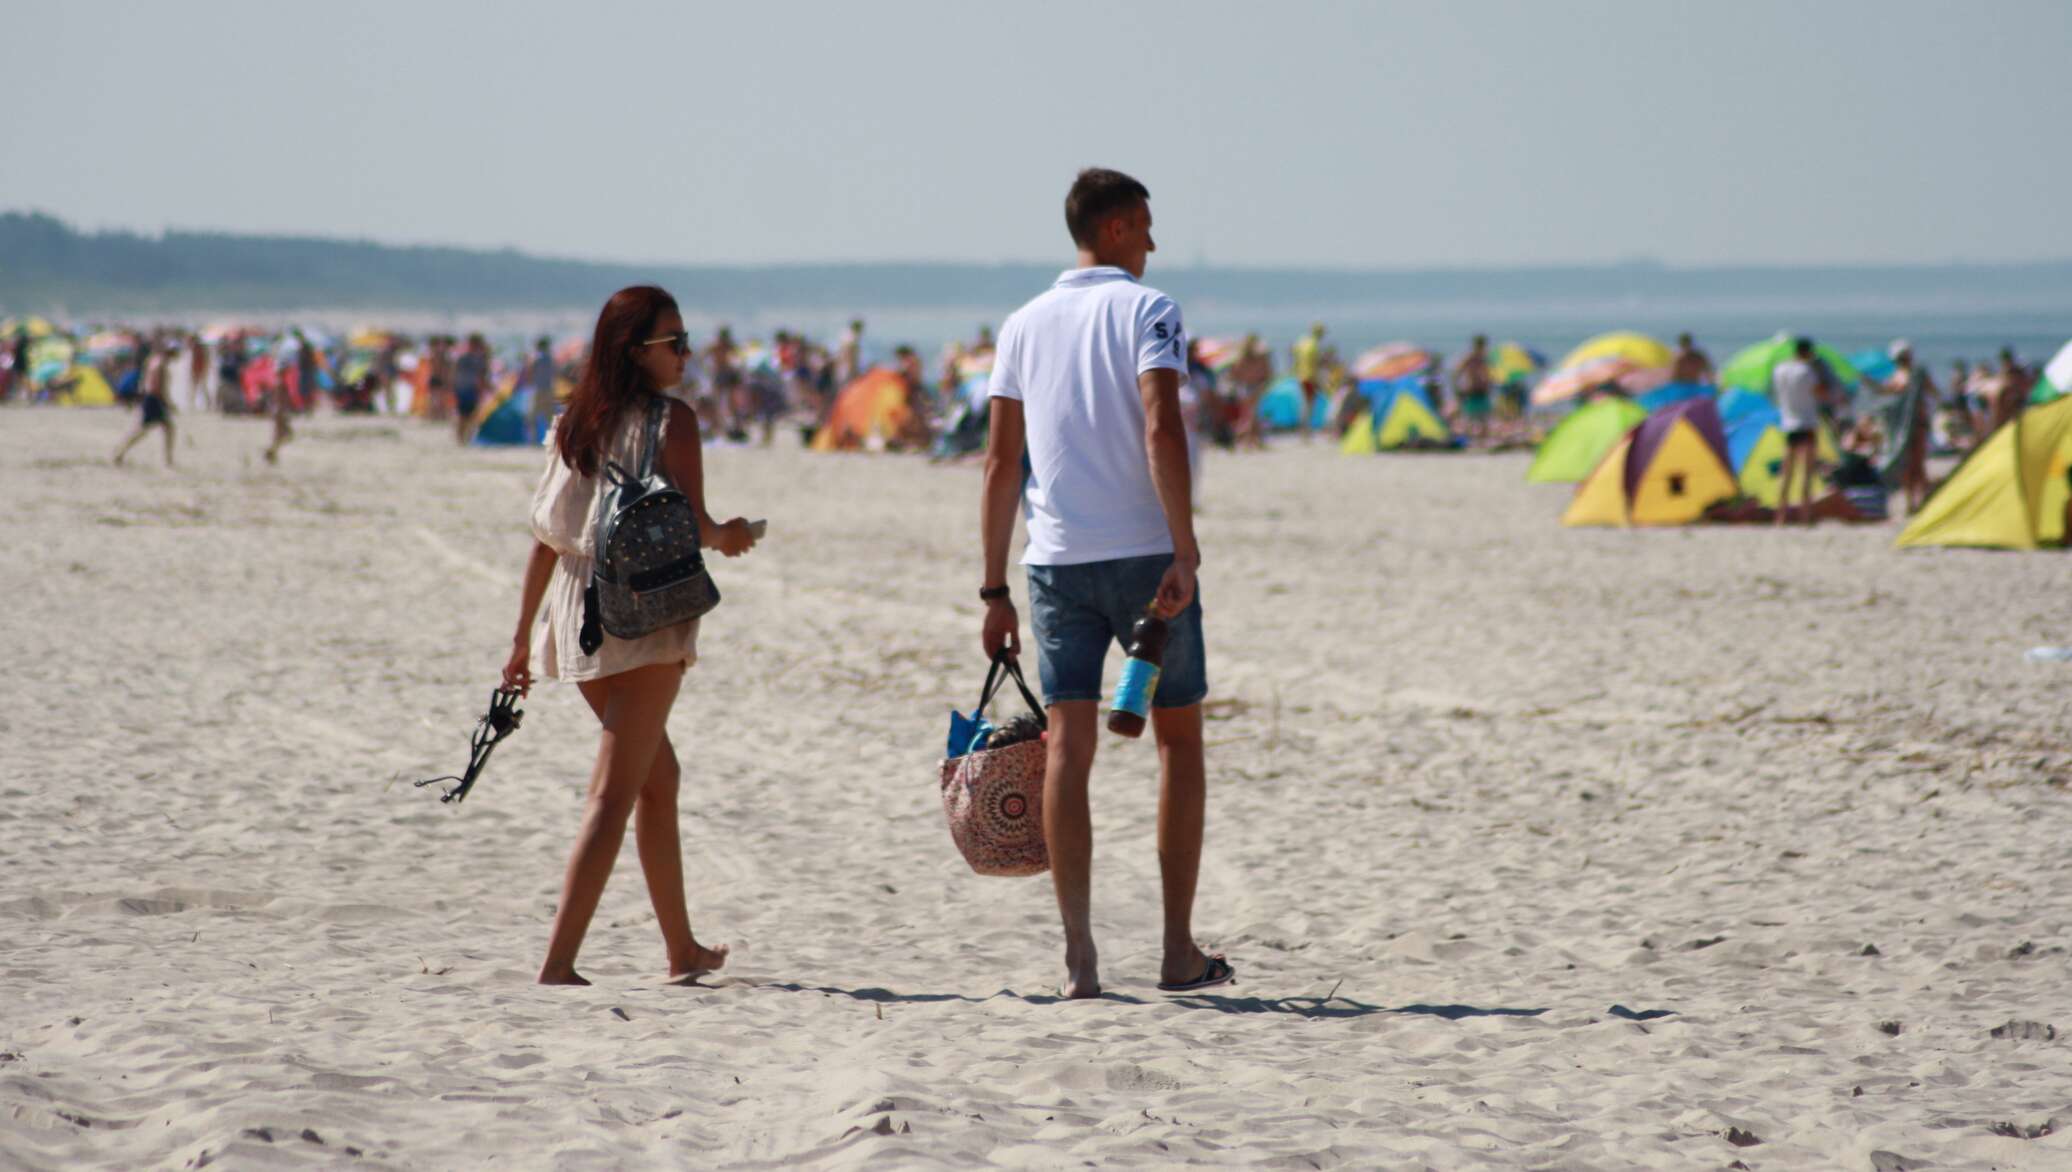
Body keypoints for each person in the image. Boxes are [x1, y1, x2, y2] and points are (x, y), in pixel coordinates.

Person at [979, 167, 1230, 1000]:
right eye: (1148, 226)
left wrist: (992, 588)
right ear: (1117, 227)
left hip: (1052, 561)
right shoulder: (1150, 311)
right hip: (1141, 556)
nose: (1155, 243)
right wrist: (1184, 550)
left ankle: (1081, 958)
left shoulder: (1020, 324)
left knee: (1068, 751)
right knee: (1179, 741)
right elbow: (1162, 424)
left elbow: (999, 462)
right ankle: (1175, 952)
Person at [502, 285, 758, 987]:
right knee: (614, 792)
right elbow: (699, 527)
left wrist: (522, 640)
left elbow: (546, 541)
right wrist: (733, 537)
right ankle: (558, 962)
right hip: (644, 614)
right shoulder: (672, 422)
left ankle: (682, 950)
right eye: (673, 342)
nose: (685, 354)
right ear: (634, 350)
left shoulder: (573, 423)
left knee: (657, 779)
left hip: (577, 616)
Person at [1770, 337, 1824, 526]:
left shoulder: (1780, 370)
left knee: (1787, 474)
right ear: (1808, 352)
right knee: (1807, 474)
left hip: (1788, 423)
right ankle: (1805, 516)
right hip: (1806, 423)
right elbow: (1820, 393)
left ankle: (1781, 516)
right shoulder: (1807, 371)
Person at [1882, 341, 1938, 514]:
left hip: (1915, 423)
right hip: (1906, 425)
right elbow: (1934, 393)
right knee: (1909, 464)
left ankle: (1916, 500)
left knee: (1916, 464)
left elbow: (1932, 392)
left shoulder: (1911, 375)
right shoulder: (1901, 377)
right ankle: (1912, 501)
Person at [113, 341, 176, 467]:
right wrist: (169, 403)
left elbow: (144, 382)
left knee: (166, 429)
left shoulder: (152, 360)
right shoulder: (161, 364)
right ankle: (119, 453)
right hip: (154, 399)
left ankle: (168, 460)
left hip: (150, 398)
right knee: (144, 430)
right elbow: (160, 387)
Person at [1450, 335, 1493, 440]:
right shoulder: (1470, 357)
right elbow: (1456, 372)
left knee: (1483, 417)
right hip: (1473, 390)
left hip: (1482, 390)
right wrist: (1458, 387)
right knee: (1471, 417)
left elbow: (1490, 374)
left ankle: (1482, 439)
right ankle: (1469, 439)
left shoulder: (1485, 358)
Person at [1290, 322, 1325, 441]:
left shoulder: (1302, 342)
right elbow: (1316, 363)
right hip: (1310, 377)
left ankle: (1303, 431)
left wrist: (1295, 369)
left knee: (1305, 403)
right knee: (1309, 405)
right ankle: (1305, 431)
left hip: (1300, 376)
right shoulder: (1313, 345)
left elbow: (1292, 353)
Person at [453, 334, 489, 444]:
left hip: (462, 388)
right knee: (469, 416)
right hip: (470, 389)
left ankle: (461, 438)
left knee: (463, 415)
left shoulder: (462, 358)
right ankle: (464, 438)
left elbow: (455, 374)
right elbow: (481, 377)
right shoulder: (477, 359)